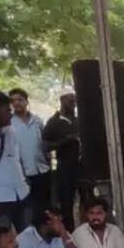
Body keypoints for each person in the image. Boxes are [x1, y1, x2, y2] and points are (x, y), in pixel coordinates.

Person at [9, 88, 50, 217]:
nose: (16, 103)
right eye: (13, 101)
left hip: (42, 170)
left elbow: (44, 142)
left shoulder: (37, 120)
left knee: (45, 208)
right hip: (24, 175)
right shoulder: (9, 123)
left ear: (26, 101)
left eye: (20, 100)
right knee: (28, 211)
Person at [42, 90, 79, 230]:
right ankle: (69, 232)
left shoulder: (77, 121)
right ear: (62, 101)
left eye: (75, 102)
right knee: (66, 203)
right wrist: (65, 141)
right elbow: (45, 147)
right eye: (71, 101)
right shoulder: (53, 123)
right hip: (64, 168)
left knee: (85, 200)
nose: (74, 105)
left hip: (80, 168)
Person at [0, 91, 29, 230]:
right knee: (4, 239)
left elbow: (16, 159)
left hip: (21, 193)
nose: (11, 114)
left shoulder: (10, 131)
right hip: (1, 199)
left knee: (24, 236)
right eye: (7, 110)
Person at [16, 206, 80, 248]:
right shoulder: (25, 239)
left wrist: (64, 235)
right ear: (48, 221)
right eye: (59, 220)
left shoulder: (61, 235)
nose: (62, 225)